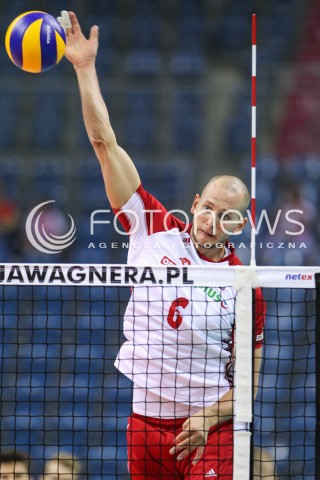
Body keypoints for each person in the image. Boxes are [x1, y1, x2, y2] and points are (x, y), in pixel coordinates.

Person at [62, 11, 265, 479]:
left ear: (242, 223)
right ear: (195, 204)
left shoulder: (246, 286)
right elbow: (104, 143)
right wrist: (84, 69)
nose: (214, 221)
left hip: (212, 428)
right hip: (146, 424)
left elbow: (250, 383)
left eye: (228, 215)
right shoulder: (152, 228)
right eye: (209, 207)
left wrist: (209, 418)